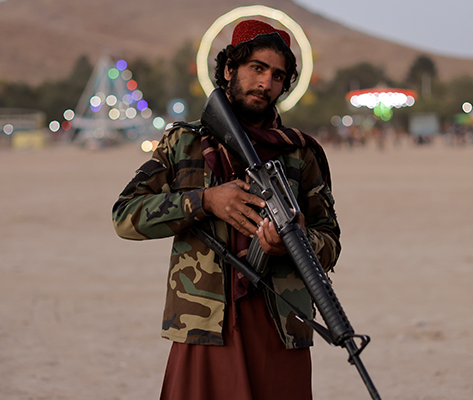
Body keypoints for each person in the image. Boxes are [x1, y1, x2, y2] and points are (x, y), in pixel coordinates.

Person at [112, 19, 341, 400]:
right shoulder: (183, 143)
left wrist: (295, 239)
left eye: (278, 76)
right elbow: (125, 216)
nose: (267, 83)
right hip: (204, 322)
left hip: (280, 324)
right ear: (230, 69)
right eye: (258, 68)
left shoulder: (301, 153)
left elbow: (330, 241)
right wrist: (206, 201)